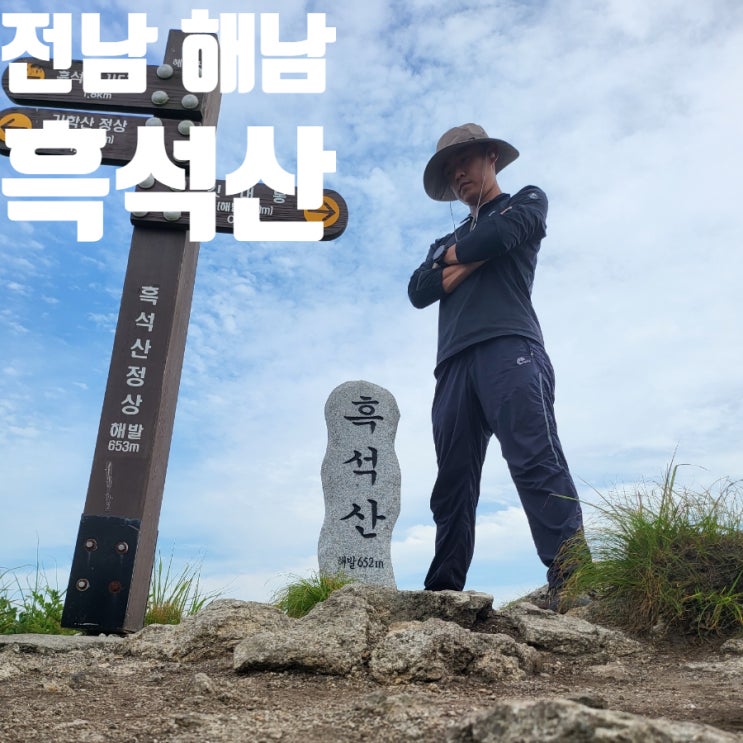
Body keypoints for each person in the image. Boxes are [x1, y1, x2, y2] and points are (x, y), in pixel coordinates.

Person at [408, 123, 588, 609]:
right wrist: (469, 253)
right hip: (452, 366)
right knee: (453, 481)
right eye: (450, 168)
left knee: (533, 458)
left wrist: (458, 259)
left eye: (465, 160)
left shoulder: (526, 200)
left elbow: (505, 232)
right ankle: (443, 593)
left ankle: (573, 582)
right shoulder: (445, 239)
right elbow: (418, 291)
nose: (458, 173)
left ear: (491, 157)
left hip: (511, 347)